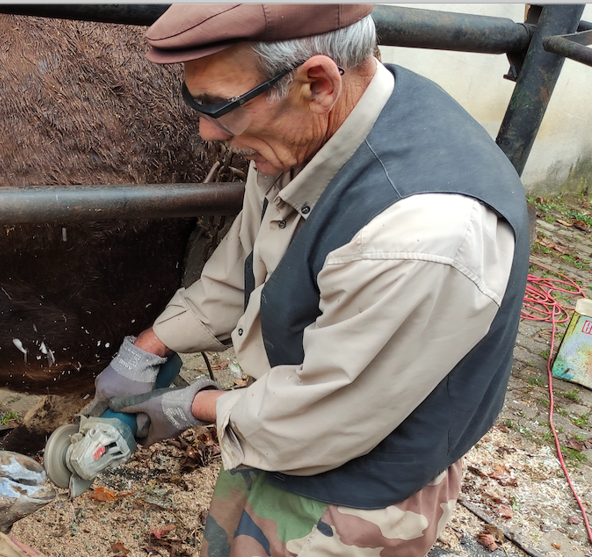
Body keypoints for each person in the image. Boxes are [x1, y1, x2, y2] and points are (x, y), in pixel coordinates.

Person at [93, 4, 530, 556]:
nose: (207, 131)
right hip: (276, 425)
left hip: (361, 488)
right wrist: (148, 351)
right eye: (197, 102)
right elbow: (243, 265)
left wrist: (188, 406)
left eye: (219, 107)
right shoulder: (303, 132)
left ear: (317, 81)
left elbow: (321, 419)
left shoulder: (425, 231)